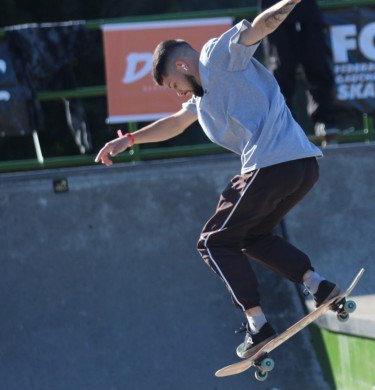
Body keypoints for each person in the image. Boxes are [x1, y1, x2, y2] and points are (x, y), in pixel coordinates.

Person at [95, 0, 341, 359]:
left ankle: (258, 325)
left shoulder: (216, 57)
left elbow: (262, 26)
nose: (177, 92)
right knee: (251, 237)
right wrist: (129, 139)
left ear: (182, 65)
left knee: (212, 242)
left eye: (174, 84)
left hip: (270, 165)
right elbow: (175, 122)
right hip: (302, 167)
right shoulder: (202, 99)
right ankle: (317, 285)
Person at [259, 0, 339, 145]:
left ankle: (325, 123)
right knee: (280, 70)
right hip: (274, 12)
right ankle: (284, 128)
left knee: (317, 64)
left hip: (307, 11)